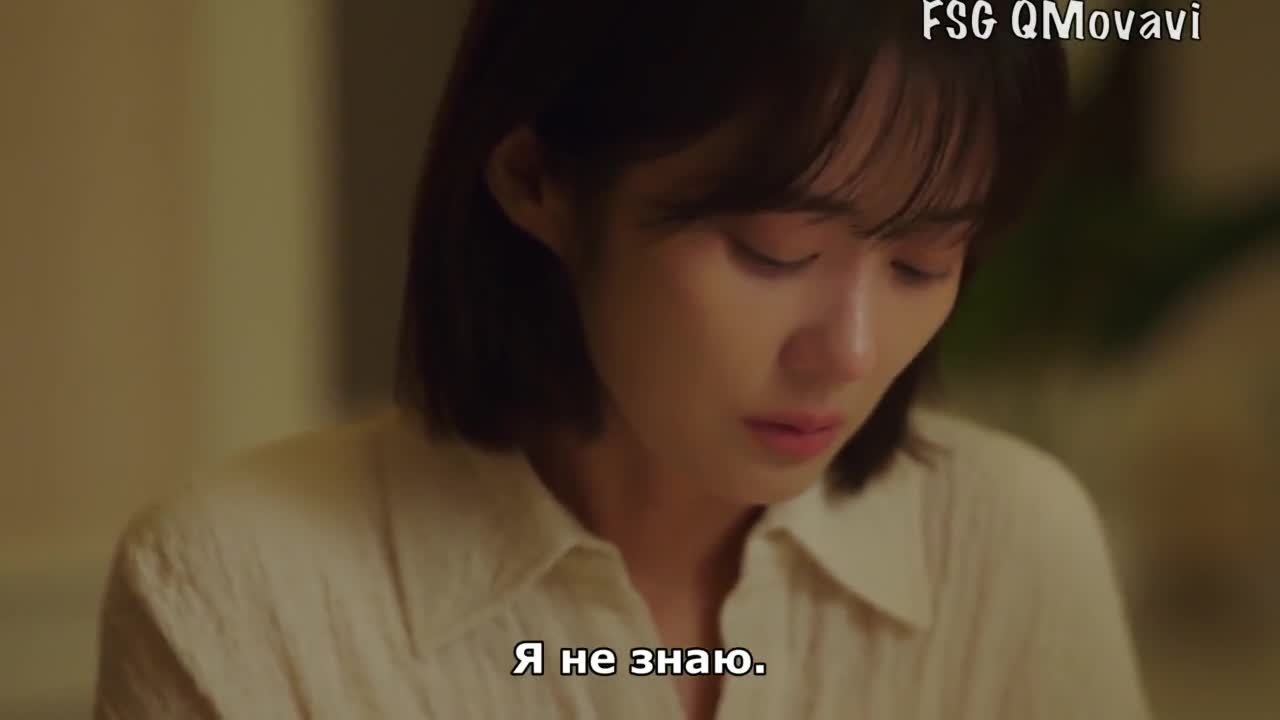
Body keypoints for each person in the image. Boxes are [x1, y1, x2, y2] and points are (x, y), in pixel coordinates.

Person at [93, 1, 1151, 718]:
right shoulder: (245, 591)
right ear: (536, 180)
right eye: (772, 252)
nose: (850, 351)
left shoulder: (1008, 546)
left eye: (923, 264)